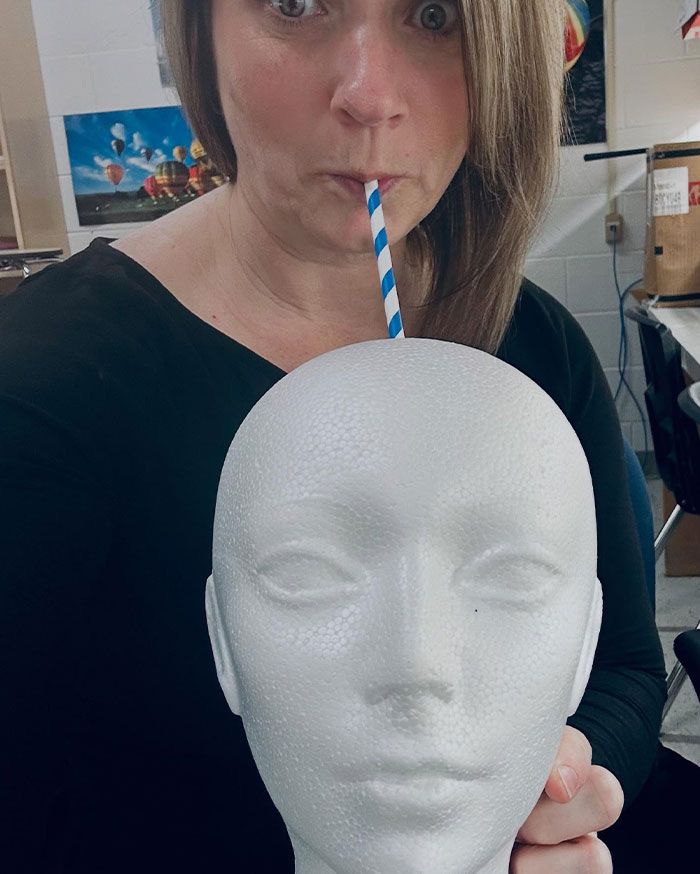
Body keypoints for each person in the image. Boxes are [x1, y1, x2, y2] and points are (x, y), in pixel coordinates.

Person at [0, 0, 665, 871]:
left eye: (435, 14)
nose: (369, 95)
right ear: (199, 31)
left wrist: (551, 794)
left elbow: (622, 669)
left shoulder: (536, 346)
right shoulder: (42, 387)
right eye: (294, 3)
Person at [206, 339, 606, 874]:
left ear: (586, 643)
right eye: (307, 572)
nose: (416, 666)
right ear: (222, 640)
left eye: (512, 575)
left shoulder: (552, 344)